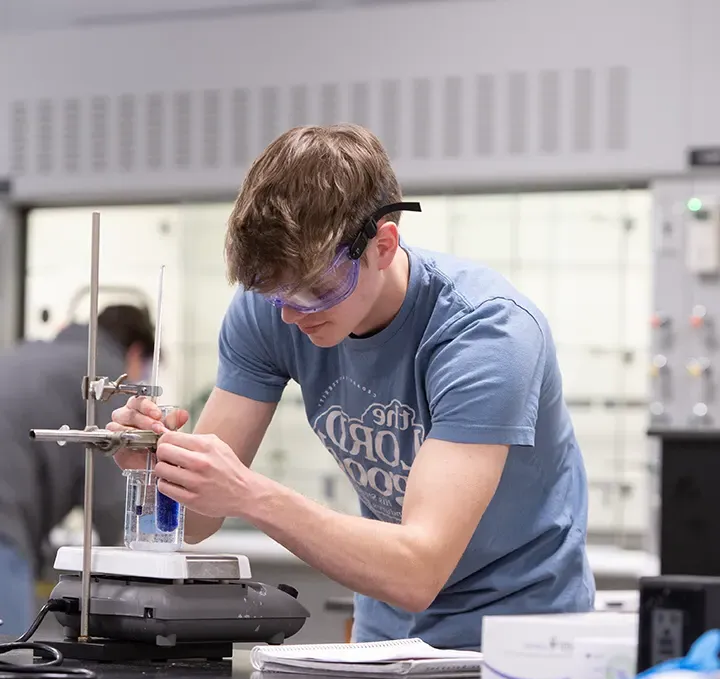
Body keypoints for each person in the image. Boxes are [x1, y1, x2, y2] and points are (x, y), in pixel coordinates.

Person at [109, 124, 595, 650]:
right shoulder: (271, 312)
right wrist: (162, 471)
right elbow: (200, 521)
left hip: (517, 636)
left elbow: (417, 571)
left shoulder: (484, 334)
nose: (294, 315)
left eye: (319, 289)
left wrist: (250, 494)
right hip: (386, 636)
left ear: (383, 245)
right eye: (276, 293)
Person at [0, 304, 155, 636]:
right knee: (7, 668)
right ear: (136, 353)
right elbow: (112, 498)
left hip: (10, 516)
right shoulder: (104, 376)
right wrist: (139, 566)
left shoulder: (33, 353)